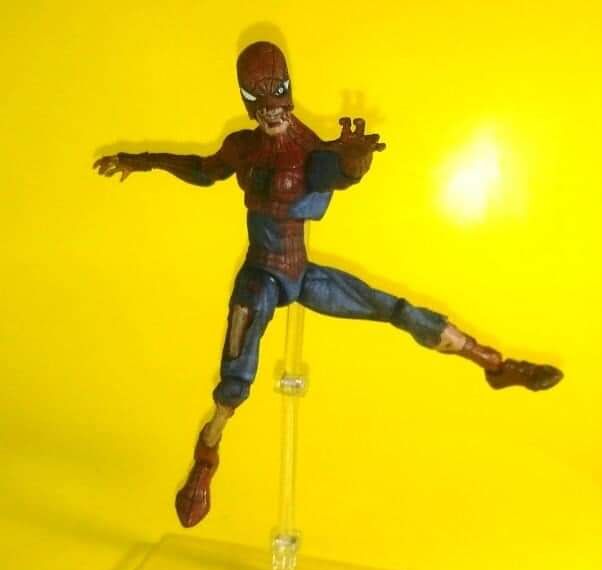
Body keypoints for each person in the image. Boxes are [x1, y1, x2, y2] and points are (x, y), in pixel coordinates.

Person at [93, 41, 563, 528]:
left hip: (301, 274)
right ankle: (206, 457)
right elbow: (204, 169)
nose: (271, 109)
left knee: (395, 309)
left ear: (289, 88)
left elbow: (337, 172)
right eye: (257, 98)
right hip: (261, 274)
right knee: (235, 374)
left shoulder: (309, 149)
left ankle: (493, 363)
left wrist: (355, 162)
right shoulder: (244, 146)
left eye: (277, 93)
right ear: (245, 99)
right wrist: (143, 160)